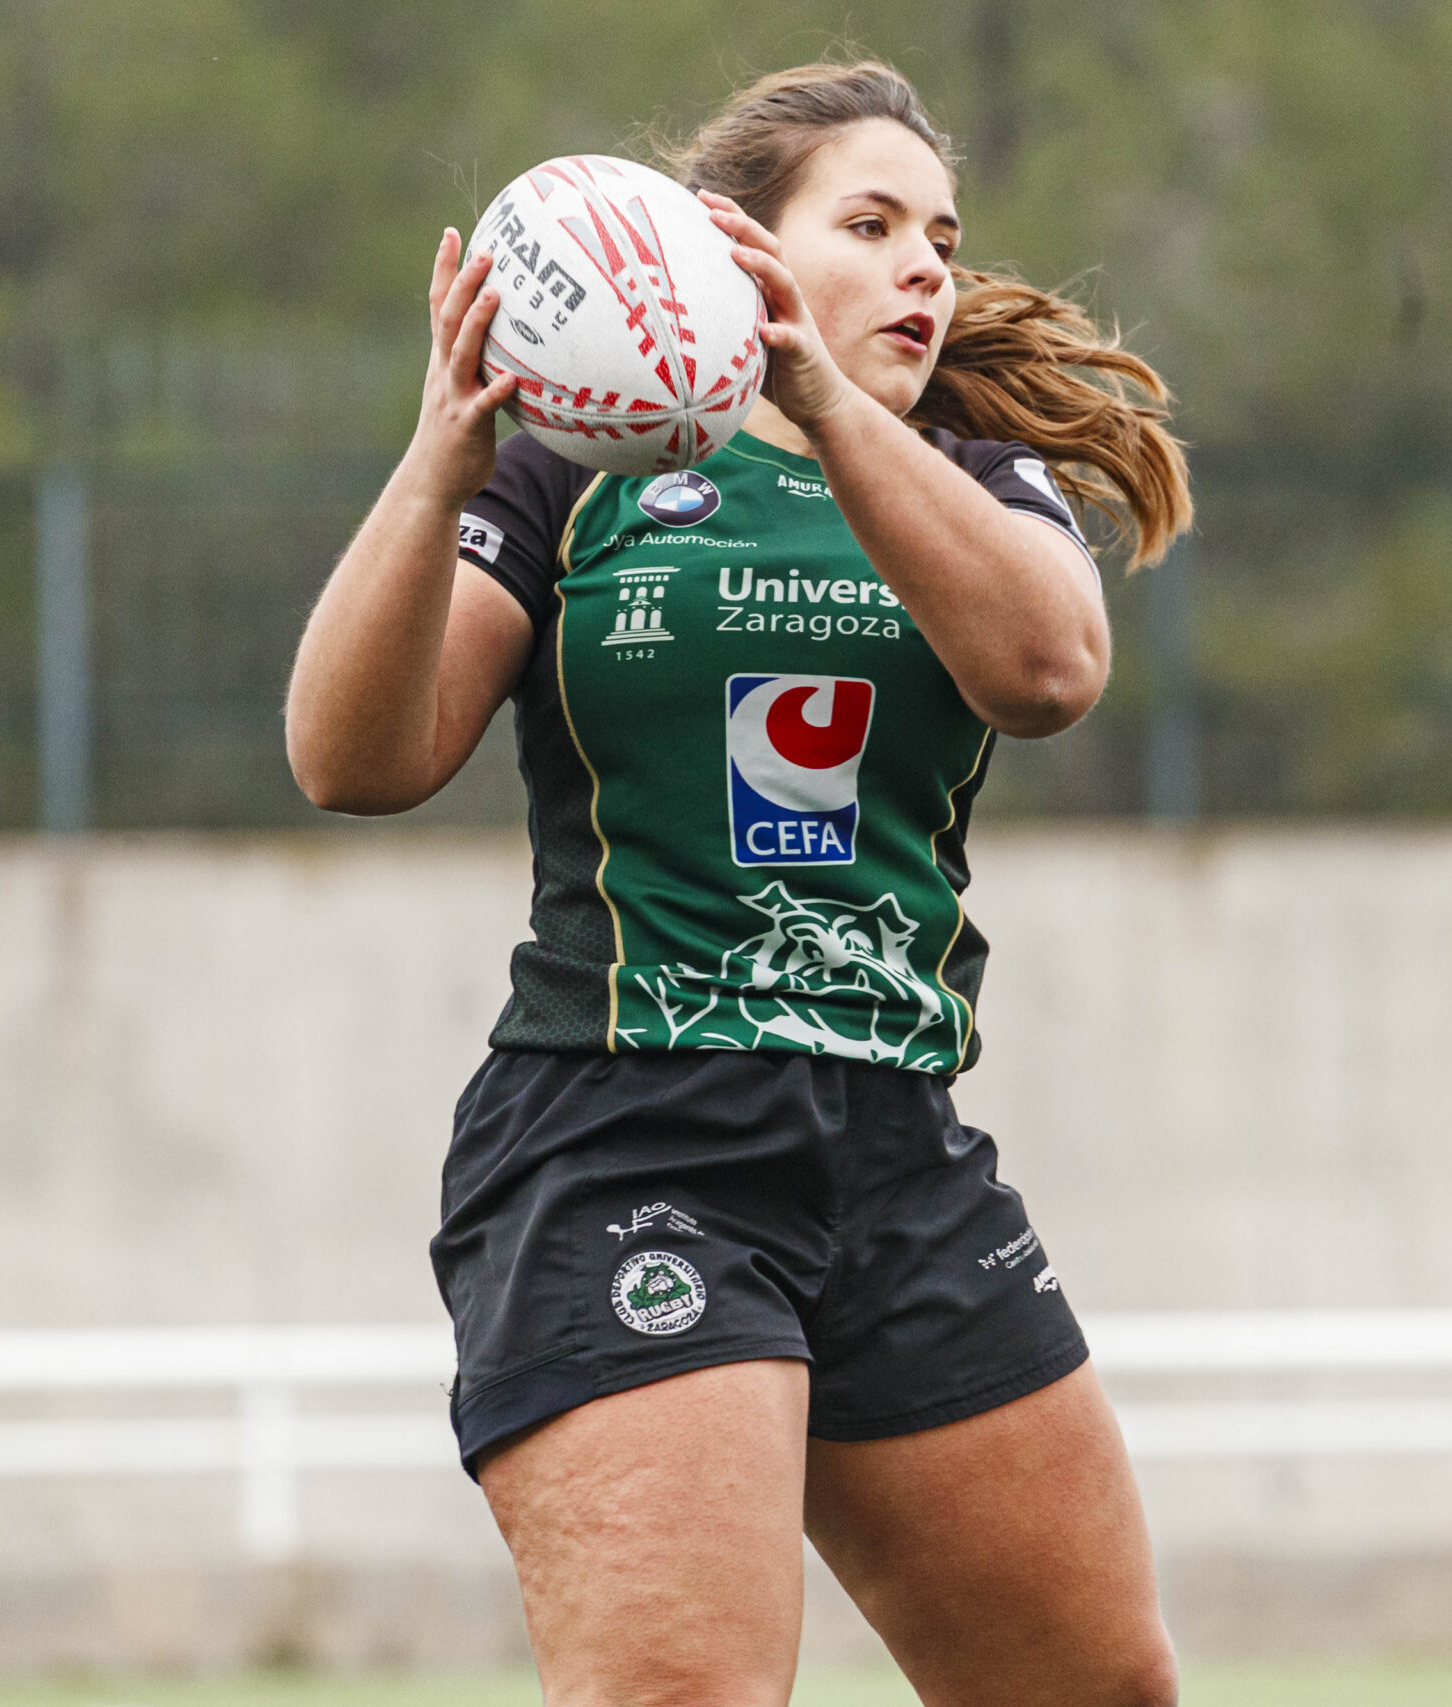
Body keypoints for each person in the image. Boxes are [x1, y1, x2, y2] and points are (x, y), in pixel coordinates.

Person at [284, 59, 1191, 1707]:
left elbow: (1049, 668)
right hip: (628, 1133)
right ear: (734, 246)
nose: (929, 262)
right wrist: (437, 464)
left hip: (893, 1146)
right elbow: (355, 760)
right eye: (873, 223)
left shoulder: (975, 478)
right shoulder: (569, 478)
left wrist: (833, 408)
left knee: (1099, 1690)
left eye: (944, 232)